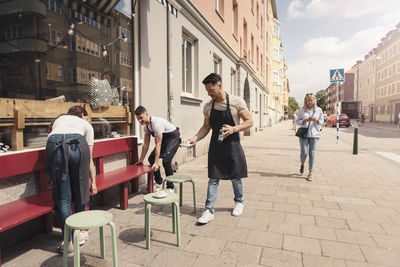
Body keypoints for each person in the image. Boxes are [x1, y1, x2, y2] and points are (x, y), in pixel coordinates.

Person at [189, 73, 253, 224]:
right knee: (213, 178)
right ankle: (209, 210)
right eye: (207, 91)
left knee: (236, 177)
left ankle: (239, 202)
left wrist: (234, 129)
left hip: (233, 145)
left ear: (220, 85)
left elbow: (249, 121)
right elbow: (206, 127)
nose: (209, 93)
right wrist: (195, 138)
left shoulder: (237, 102)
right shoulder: (208, 107)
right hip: (216, 147)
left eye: (211, 90)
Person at [46, 106, 97, 256]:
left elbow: (48, 147)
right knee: (81, 191)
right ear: (82, 115)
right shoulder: (86, 125)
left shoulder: (58, 120)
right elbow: (89, 159)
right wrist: (93, 181)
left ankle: (68, 244)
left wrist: (50, 177)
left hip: (55, 146)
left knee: (63, 199)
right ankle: (80, 233)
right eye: (86, 117)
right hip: (78, 145)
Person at [134, 106, 181, 191]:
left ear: (146, 114)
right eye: (138, 119)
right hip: (164, 141)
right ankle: (159, 182)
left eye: (141, 118)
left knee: (166, 161)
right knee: (151, 158)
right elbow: (146, 144)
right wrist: (141, 159)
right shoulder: (146, 127)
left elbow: (158, 144)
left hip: (174, 139)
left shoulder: (156, 123)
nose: (140, 121)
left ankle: (171, 187)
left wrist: (156, 162)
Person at [296, 93, 324, 181]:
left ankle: (310, 172)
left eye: (311, 100)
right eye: (308, 100)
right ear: (305, 101)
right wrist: (305, 120)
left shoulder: (318, 110)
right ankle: (302, 164)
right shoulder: (302, 110)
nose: (310, 102)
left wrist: (317, 121)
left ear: (314, 100)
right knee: (304, 152)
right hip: (304, 134)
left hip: (314, 134)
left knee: (312, 154)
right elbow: (298, 121)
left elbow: (322, 122)